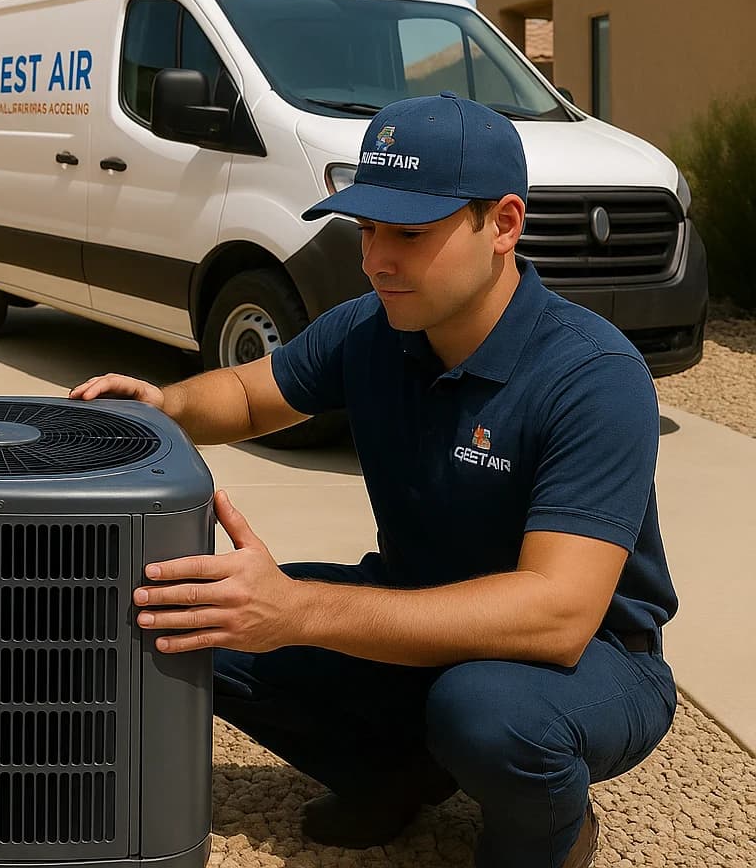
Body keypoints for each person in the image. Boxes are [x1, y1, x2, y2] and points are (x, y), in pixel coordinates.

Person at [70, 92, 677, 868]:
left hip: (587, 658)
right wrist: (162, 409)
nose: (377, 259)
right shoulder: (373, 327)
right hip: (417, 618)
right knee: (184, 619)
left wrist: (298, 610)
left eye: (410, 234)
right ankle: (393, 776)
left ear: (503, 225)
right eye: (367, 230)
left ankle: (552, 838)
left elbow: (556, 614)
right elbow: (252, 395)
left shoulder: (591, 375)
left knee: (487, 712)